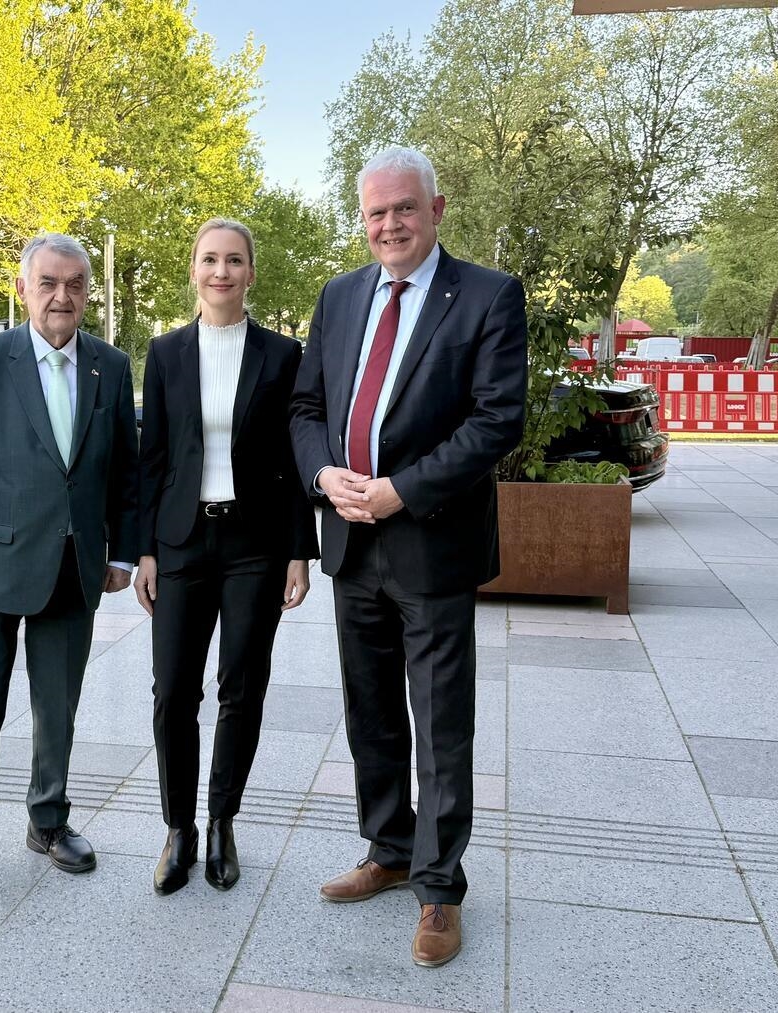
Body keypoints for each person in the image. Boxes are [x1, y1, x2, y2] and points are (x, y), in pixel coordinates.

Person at [289, 147, 527, 967]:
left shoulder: (489, 295)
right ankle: (387, 851)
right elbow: (308, 405)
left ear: (437, 208)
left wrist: (400, 489)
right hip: (350, 539)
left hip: (430, 540)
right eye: (375, 212)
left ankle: (439, 886)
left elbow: (497, 421)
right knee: (371, 713)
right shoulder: (340, 294)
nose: (388, 224)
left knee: (441, 723)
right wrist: (323, 472)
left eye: (403, 208)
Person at [0, 233, 139, 904]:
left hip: (76, 568)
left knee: (58, 708)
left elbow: (125, 472)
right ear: (24, 289)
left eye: (74, 283)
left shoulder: (111, 365)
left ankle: (48, 820)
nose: (61, 296)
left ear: (87, 291)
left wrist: (123, 550)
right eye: (48, 282)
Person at [134, 218, 318, 895]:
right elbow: (153, 457)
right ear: (193, 270)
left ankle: (221, 822)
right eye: (210, 259)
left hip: (254, 546)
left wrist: (300, 551)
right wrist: (146, 549)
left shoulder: (281, 354)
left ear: (250, 272)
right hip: (181, 543)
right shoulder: (165, 352)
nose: (222, 271)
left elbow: (295, 460)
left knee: (243, 687)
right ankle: (178, 827)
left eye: (234, 260)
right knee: (173, 691)